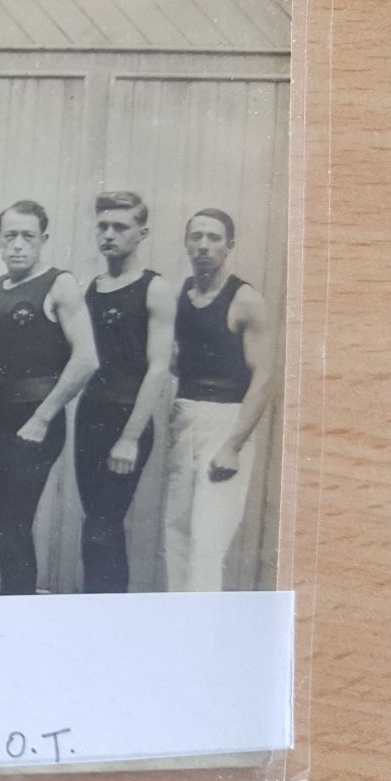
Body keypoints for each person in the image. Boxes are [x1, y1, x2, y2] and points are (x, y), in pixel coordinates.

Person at [0, 201, 98, 595]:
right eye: (9, 236)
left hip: (37, 419)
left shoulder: (59, 284)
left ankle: (18, 620)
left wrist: (43, 418)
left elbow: (85, 360)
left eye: (27, 236)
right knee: (5, 524)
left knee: (14, 522)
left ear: (43, 240)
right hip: (0, 416)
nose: (18, 245)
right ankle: (12, 611)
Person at [164, 208, 273, 592]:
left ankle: (202, 637)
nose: (204, 246)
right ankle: (179, 632)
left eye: (213, 238)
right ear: (186, 243)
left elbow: (263, 377)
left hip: (227, 420)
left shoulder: (245, 300)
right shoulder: (183, 296)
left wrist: (233, 445)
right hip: (186, 414)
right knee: (176, 532)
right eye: (197, 237)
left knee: (208, 540)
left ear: (229, 246)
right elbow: (180, 361)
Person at [75, 192, 174, 592]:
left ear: (142, 233)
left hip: (126, 420)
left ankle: (111, 625)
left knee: (104, 524)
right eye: (103, 226)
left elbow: (159, 368)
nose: (109, 234)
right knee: (95, 523)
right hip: (90, 416)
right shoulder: (92, 289)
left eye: (121, 227)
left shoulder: (155, 288)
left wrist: (130, 438)